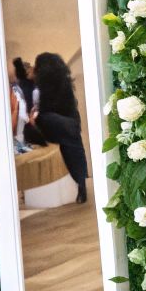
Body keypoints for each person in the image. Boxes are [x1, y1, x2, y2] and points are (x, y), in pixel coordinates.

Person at [29, 51, 88, 203]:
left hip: (62, 125)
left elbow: (46, 112)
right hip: (71, 125)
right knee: (74, 150)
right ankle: (81, 183)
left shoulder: (44, 87)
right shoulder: (64, 83)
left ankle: (80, 184)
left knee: (70, 150)